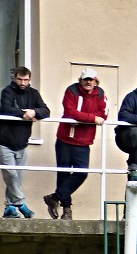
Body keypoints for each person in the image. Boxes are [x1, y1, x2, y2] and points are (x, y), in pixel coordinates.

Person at [43, 68, 109, 220]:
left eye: (91, 79)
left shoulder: (100, 94)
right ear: (80, 80)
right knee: (63, 174)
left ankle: (54, 197)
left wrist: (85, 119)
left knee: (82, 173)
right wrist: (91, 119)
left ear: (95, 81)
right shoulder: (71, 90)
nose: (88, 82)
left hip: (84, 141)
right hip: (65, 139)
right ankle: (67, 211)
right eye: (85, 79)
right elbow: (70, 112)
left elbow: (103, 114)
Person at [0, 66, 49, 218]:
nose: (22, 82)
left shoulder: (34, 94)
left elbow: (46, 111)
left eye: (25, 80)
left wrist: (35, 112)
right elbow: (6, 108)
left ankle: (9, 209)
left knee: (16, 177)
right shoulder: (7, 91)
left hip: (22, 142)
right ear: (14, 78)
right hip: (4, 141)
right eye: (20, 79)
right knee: (11, 175)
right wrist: (25, 113)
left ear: (29, 80)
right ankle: (21, 204)